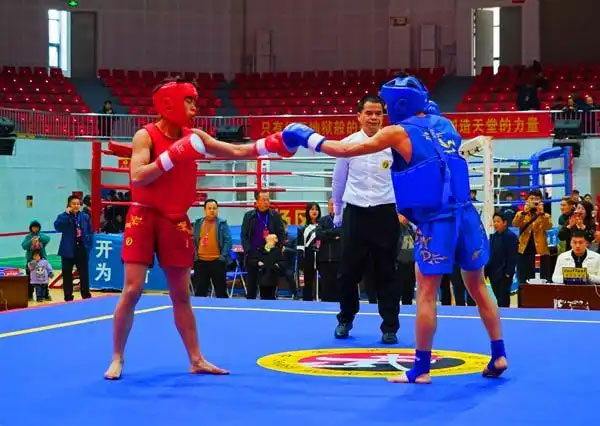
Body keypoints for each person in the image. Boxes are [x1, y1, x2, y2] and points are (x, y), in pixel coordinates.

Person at [276, 74, 507, 383]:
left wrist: (307, 137)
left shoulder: (396, 132)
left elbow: (343, 151)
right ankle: (499, 353)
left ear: (397, 105)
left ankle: (421, 370)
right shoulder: (445, 125)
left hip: (435, 221)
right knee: (478, 286)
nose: (383, 111)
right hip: (466, 215)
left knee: (426, 293)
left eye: (386, 105)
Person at [104, 78, 294, 380]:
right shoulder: (145, 135)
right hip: (144, 215)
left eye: (195, 100)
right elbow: (137, 176)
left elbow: (235, 152)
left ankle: (196, 359)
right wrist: (171, 157)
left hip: (175, 219)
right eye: (189, 101)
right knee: (132, 289)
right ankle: (117, 357)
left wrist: (272, 144)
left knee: (181, 294)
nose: (195, 107)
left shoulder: (196, 136)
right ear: (169, 103)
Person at [330, 94, 401, 344]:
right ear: (358, 116)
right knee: (347, 273)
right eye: (368, 113)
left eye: (378, 113)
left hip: (385, 212)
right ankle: (345, 319)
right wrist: (338, 211)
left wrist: (405, 211)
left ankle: (390, 327)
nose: (373, 117)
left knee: (387, 272)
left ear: (383, 116)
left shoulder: (394, 144)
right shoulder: (347, 145)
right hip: (356, 212)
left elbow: (403, 179)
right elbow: (338, 179)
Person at [241, 190, 286, 299]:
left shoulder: (275, 216)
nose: (266, 202)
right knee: (251, 291)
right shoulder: (249, 216)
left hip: (269, 257)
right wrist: (249, 252)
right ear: (257, 202)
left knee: (268, 293)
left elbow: (281, 235)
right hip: (253, 256)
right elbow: (244, 236)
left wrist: (276, 252)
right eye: (263, 200)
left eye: (268, 200)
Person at [54, 195, 93, 302]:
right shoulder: (63, 216)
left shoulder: (85, 216)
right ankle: (68, 296)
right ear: (69, 205)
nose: (76, 206)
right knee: (67, 273)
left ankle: (86, 295)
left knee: (84, 274)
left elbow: (89, 231)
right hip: (68, 249)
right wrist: (66, 214)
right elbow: (57, 227)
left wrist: (88, 245)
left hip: (81, 248)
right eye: (73, 204)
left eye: (78, 204)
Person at [192, 199, 232, 298]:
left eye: (214, 208)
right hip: (200, 263)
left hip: (217, 262)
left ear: (217, 209)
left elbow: (228, 241)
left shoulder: (222, 223)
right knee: (200, 293)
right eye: (209, 208)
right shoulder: (197, 223)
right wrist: (195, 256)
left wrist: (222, 257)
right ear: (204, 210)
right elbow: (193, 240)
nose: (212, 210)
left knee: (221, 293)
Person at [512, 190, 553, 283]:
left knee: (542, 279)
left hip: (541, 252)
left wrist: (542, 214)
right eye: (532, 199)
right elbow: (515, 224)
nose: (534, 201)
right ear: (527, 201)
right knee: (523, 280)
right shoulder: (521, 214)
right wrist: (524, 212)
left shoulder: (545, 215)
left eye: (537, 199)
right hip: (523, 251)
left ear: (541, 201)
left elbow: (548, 227)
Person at [485, 212, 518, 307]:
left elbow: (512, 256)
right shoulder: (493, 237)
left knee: (504, 298)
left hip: (504, 273)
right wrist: (486, 271)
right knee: (498, 297)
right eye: (494, 221)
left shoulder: (511, 236)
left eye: (498, 221)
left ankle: (505, 314)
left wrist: (508, 272)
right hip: (493, 273)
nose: (495, 223)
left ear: (504, 222)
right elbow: (490, 255)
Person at [315, 199, 342, 302]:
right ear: (328, 206)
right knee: (326, 286)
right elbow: (318, 235)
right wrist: (334, 235)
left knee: (338, 286)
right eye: (331, 204)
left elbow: (342, 232)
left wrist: (326, 233)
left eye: (335, 204)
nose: (333, 206)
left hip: (338, 258)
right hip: (324, 259)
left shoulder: (342, 220)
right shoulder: (322, 220)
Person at [246, 234, 285, 299]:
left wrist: (277, 264)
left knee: (271, 294)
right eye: (275, 239)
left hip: (272, 275)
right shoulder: (260, 250)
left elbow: (282, 261)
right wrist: (258, 262)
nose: (276, 240)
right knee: (263, 294)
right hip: (262, 274)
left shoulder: (277, 251)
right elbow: (252, 260)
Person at [21, 220, 51, 300]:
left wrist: (39, 238)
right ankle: (29, 295)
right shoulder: (28, 237)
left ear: (39, 228)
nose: (35, 229)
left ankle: (45, 295)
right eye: (34, 227)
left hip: (41, 260)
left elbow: (48, 239)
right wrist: (31, 241)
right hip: (31, 260)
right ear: (31, 228)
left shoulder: (41, 235)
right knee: (29, 278)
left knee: (43, 277)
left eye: (37, 227)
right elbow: (23, 246)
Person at [297, 202, 321, 301]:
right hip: (308, 257)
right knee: (307, 283)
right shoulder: (302, 228)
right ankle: (307, 302)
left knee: (323, 283)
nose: (314, 211)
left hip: (320, 256)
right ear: (308, 212)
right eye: (312, 209)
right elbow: (300, 247)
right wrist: (301, 262)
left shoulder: (322, 227)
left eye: (316, 209)